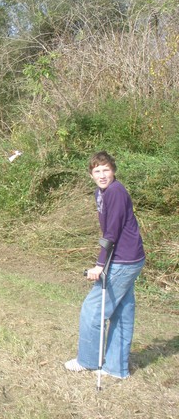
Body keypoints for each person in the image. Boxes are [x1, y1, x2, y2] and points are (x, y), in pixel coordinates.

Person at [65, 151, 145, 379]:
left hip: (124, 260)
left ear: (113, 171)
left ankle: (88, 361)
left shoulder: (116, 192)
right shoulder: (101, 192)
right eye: (97, 171)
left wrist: (100, 265)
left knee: (93, 310)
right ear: (90, 174)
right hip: (130, 258)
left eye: (106, 170)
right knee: (122, 312)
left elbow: (112, 232)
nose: (102, 175)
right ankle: (116, 369)